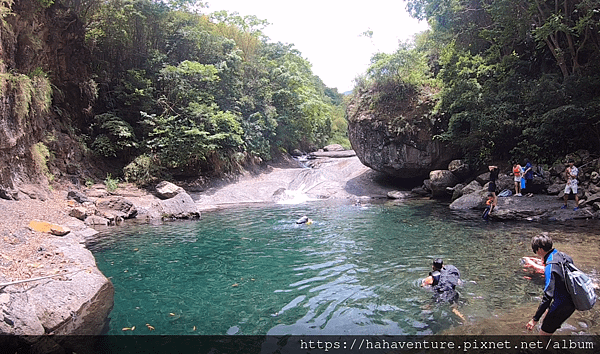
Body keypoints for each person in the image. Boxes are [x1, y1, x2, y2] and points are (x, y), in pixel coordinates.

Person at [525, 234, 576, 335]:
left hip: (561, 305)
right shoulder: (563, 255)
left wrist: (534, 319)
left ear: (539, 249)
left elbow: (548, 296)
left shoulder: (550, 267)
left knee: (543, 337)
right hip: (573, 301)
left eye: (535, 249)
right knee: (546, 319)